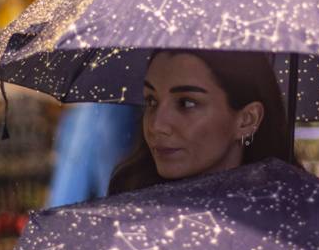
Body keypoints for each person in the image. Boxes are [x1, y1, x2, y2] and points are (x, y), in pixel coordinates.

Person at [108, 49, 295, 194]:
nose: (156, 125)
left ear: (247, 120)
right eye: (151, 101)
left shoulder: (295, 219)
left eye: (186, 103)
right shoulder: (127, 203)